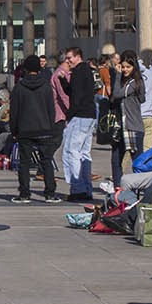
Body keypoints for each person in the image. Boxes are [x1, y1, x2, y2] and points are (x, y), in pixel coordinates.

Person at [9, 53, 61, 203]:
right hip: (44, 128)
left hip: (25, 128)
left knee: (24, 162)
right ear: (39, 68)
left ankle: (24, 193)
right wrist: (51, 126)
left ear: (25, 69)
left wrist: (14, 130)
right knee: (46, 160)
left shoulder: (19, 87)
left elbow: (15, 111)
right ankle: (50, 193)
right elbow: (51, 108)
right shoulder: (46, 86)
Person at [59, 47, 98, 201]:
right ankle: (87, 188)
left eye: (70, 58)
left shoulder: (78, 71)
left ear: (78, 57)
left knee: (71, 151)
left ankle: (77, 188)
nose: (67, 61)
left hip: (80, 115)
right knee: (84, 153)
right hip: (89, 114)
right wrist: (63, 81)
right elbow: (75, 92)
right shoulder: (87, 70)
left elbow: (77, 98)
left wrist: (68, 117)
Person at [109, 51, 144, 189]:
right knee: (116, 158)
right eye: (123, 67)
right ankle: (118, 187)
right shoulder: (124, 81)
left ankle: (139, 187)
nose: (124, 70)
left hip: (133, 126)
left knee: (137, 161)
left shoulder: (135, 82)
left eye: (128, 67)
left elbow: (117, 94)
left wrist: (117, 75)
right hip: (121, 126)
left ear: (134, 67)